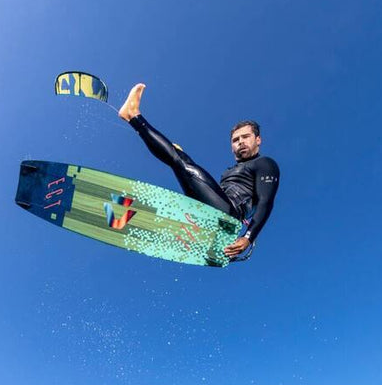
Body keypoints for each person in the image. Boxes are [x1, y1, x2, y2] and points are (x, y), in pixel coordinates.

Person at [118, 83, 280, 259]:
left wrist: (248, 237)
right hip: (213, 217)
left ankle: (133, 115)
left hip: (228, 215)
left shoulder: (265, 163)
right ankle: (197, 233)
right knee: (178, 158)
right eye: (235, 140)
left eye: (246, 137)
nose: (240, 142)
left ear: (258, 140)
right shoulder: (231, 171)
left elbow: (266, 201)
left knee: (178, 159)